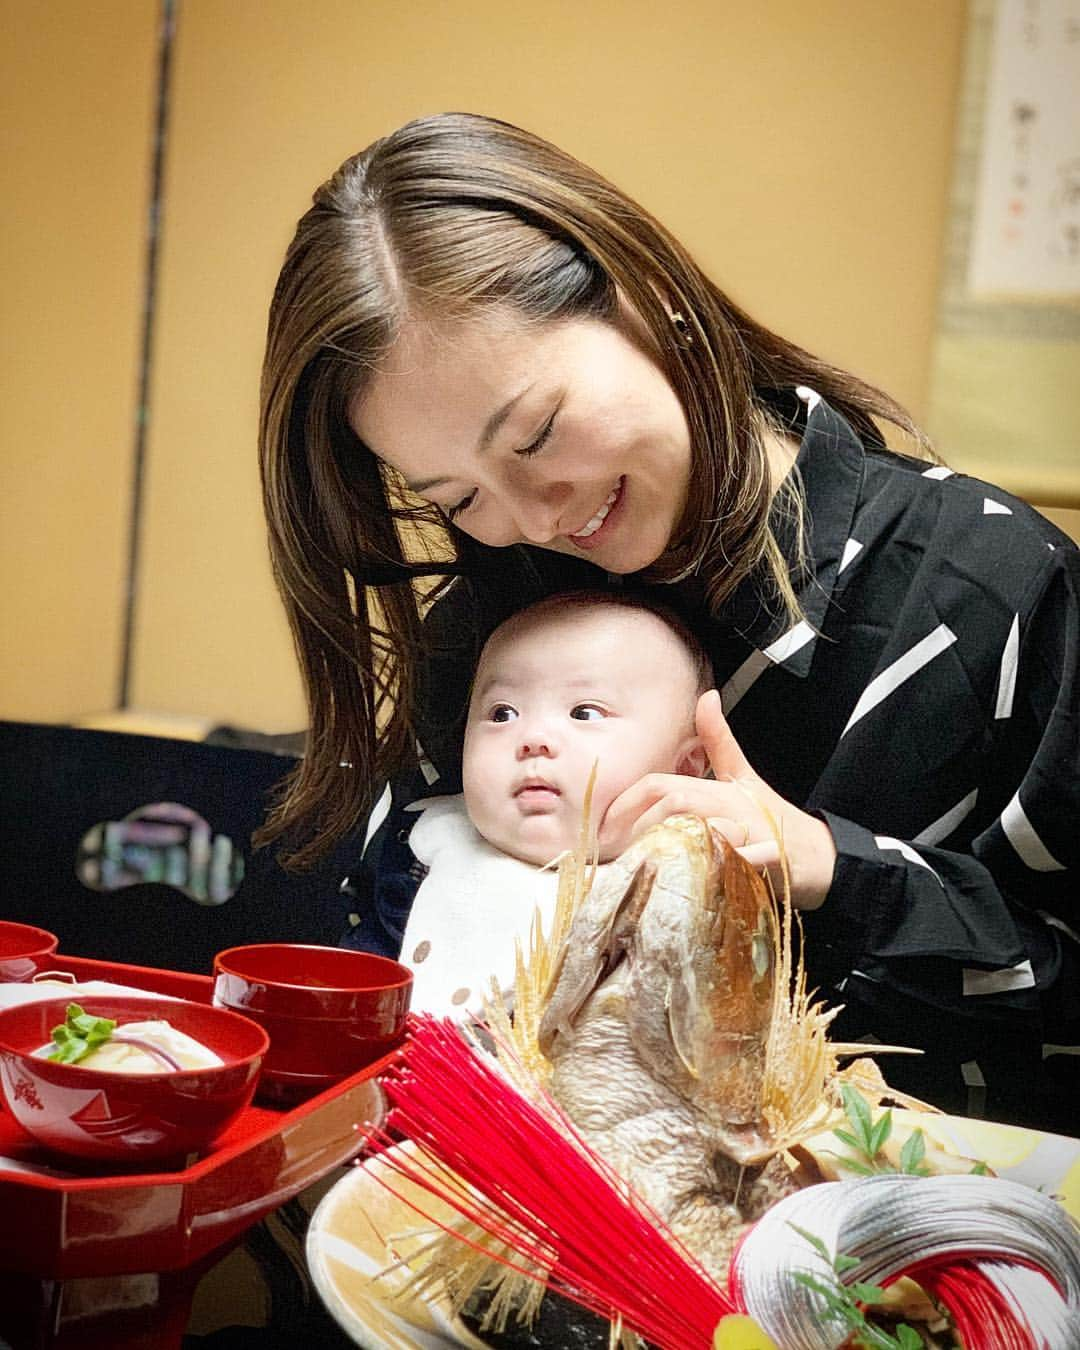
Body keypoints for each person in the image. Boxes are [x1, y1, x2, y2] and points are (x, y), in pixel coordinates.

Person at [257, 112, 1080, 1128]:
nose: (529, 520)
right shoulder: (485, 622)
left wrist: (830, 866)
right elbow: (395, 960)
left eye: (537, 433)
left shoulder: (987, 587)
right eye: (455, 498)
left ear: (644, 298)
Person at [397, 590, 711, 1016]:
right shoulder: (426, 851)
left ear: (686, 770)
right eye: (502, 714)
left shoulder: (678, 894)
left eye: (584, 713)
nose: (533, 739)